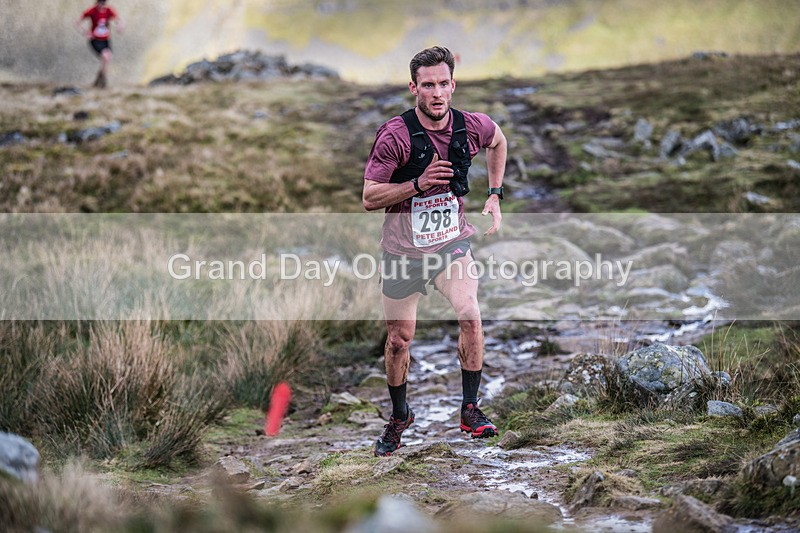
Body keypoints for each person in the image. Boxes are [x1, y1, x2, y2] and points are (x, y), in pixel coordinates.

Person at [362, 46, 507, 457]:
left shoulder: (470, 126)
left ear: (453, 85)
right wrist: (418, 184)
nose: (437, 93)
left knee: (471, 315)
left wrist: (495, 195)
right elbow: (370, 198)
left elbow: (498, 141)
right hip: (403, 251)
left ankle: (470, 410)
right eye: (428, 85)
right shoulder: (396, 135)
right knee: (398, 340)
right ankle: (399, 416)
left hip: (451, 243)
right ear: (414, 88)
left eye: (444, 83)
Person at [75, 0, 123, 88]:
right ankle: (103, 81)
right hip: (95, 40)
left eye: (104, 2)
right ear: (97, 2)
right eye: (101, 2)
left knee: (107, 59)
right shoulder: (92, 11)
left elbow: (118, 20)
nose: (103, 4)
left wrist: (119, 26)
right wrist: (85, 32)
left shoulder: (109, 10)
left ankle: (98, 80)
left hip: (106, 40)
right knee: (106, 57)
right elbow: (77, 22)